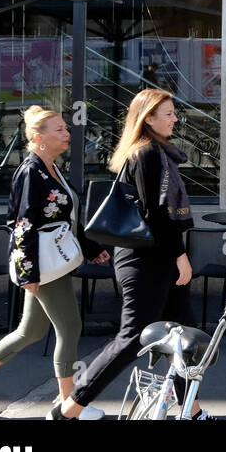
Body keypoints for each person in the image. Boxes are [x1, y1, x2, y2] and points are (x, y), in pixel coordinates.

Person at [0, 106, 110, 419]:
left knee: (30, 331)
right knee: (70, 327)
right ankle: (68, 406)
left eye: (65, 128)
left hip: (51, 260)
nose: (67, 133)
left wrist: (91, 247)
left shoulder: (52, 168)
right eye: (59, 129)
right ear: (38, 137)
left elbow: (66, 217)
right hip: (42, 265)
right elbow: (23, 224)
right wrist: (27, 271)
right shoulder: (31, 172)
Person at [52, 88, 206, 420]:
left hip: (155, 255)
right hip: (143, 259)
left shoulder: (159, 152)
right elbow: (156, 214)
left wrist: (174, 254)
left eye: (173, 112)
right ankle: (69, 409)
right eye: (168, 114)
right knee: (133, 337)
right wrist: (180, 255)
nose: (175, 118)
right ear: (147, 118)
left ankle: (192, 412)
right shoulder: (147, 153)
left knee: (182, 338)